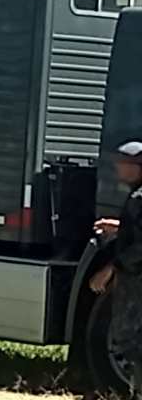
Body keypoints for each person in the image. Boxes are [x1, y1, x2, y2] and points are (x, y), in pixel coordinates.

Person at [89, 141, 142, 397]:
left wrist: (112, 267)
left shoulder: (140, 198)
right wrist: (120, 228)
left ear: (137, 167)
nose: (118, 167)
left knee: (134, 342)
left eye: (123, 162)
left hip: (136, 283)